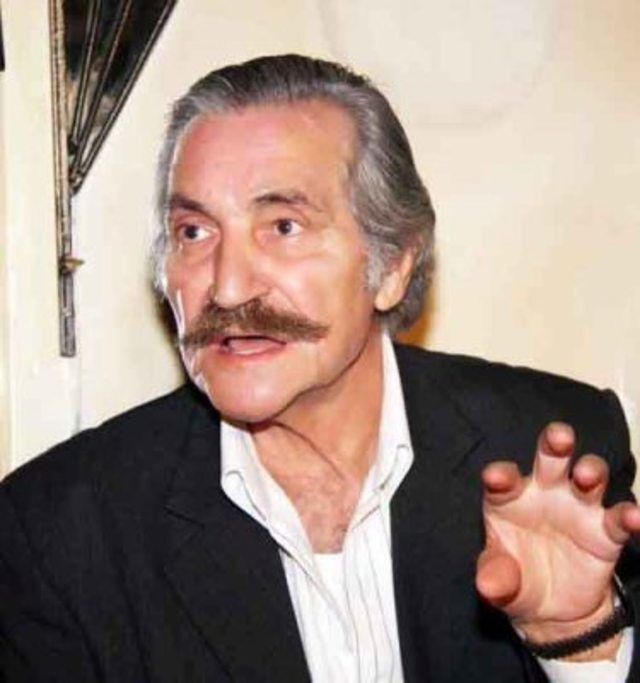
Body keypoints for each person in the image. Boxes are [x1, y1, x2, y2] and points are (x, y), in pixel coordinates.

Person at [1, 54, 639, 683]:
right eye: (194, 232)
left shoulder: (551, 460)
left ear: (392, 266)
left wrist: (578, 641)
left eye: (283, 226)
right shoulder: (58, 531)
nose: (227, 287)